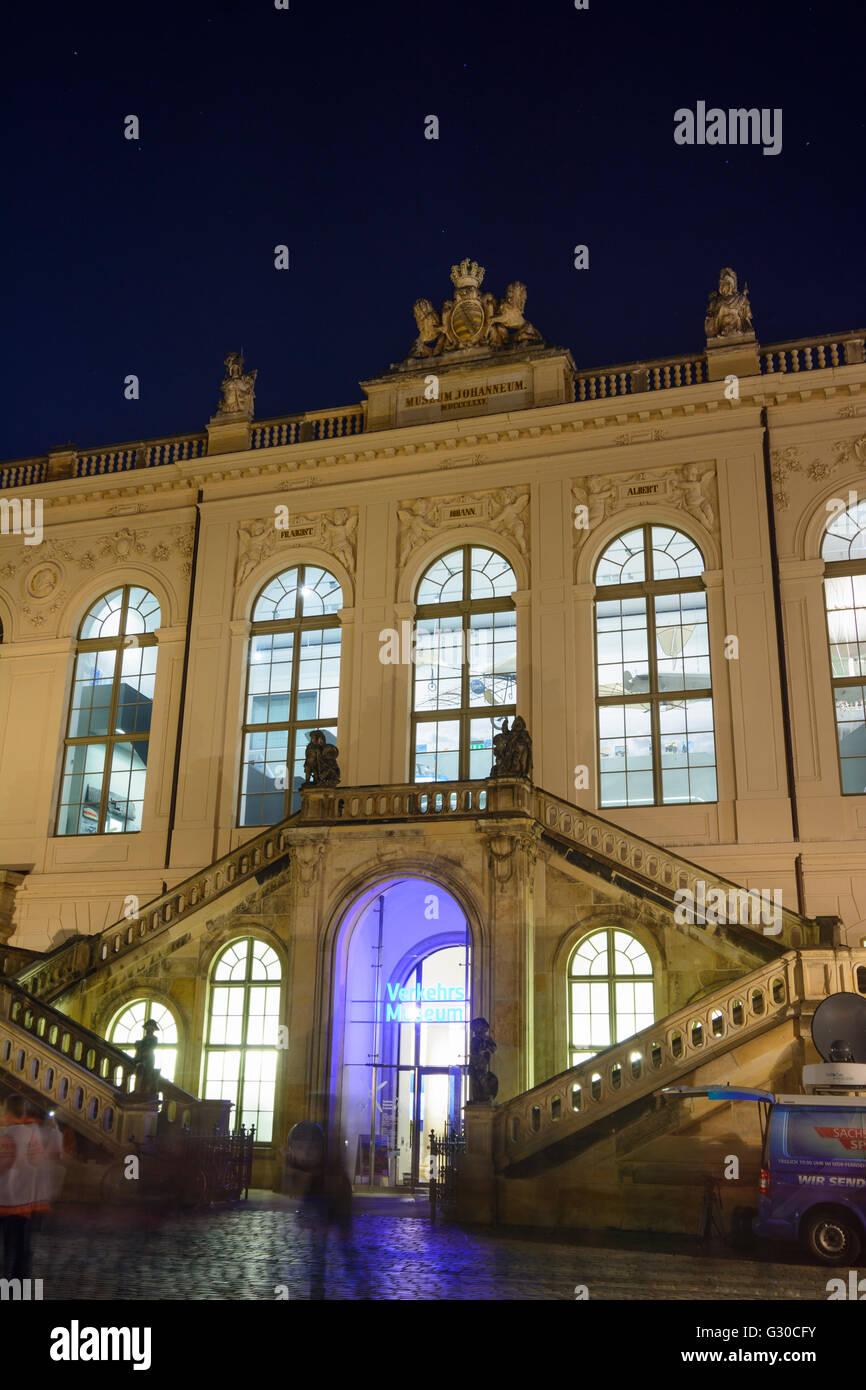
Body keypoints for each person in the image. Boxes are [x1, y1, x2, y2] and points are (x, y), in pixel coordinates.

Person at [0, 1093, 44, 1279]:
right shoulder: (32, 1134)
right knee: (20, 1243)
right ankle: (18, 1280)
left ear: (8, 1112)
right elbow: (38, 1162)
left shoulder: (3, 1134)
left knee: (5, 1242)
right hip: (24, 1200)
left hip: (3, 1198)